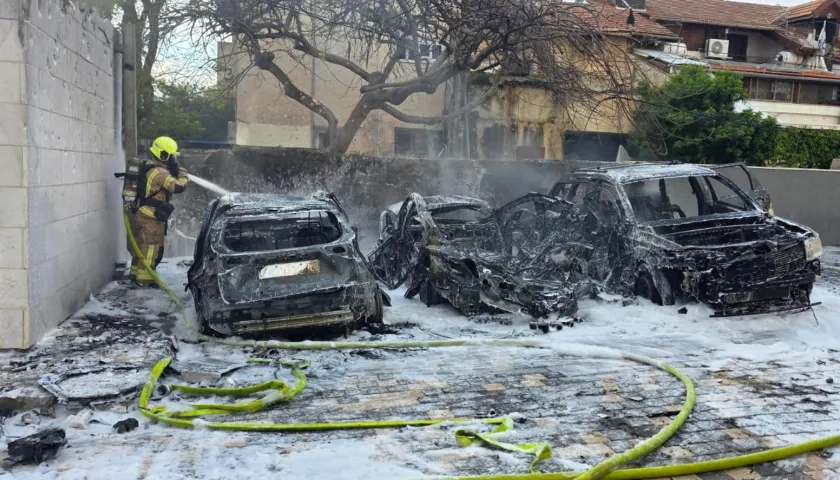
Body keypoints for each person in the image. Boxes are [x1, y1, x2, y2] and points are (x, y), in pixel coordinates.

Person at [129, 136, 189, 285]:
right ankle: (146, 281)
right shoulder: (160, 172)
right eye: (171, 155)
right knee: (151, 249)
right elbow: (178, 187)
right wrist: (183, 176)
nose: (173, 159)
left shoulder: (148, 166)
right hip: (150, 216)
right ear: (163, 154)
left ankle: (135, 275)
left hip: (141, 213)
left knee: (141, 247)